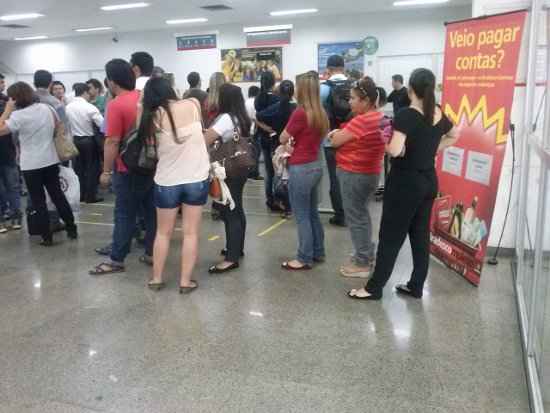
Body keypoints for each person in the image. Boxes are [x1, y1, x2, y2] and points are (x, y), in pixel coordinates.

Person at [348, 68, 459, 301]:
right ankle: (416, 286)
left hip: (405, 183)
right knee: (420, 235)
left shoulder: (408, 114)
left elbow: (396, 150)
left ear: (410, 89)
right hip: (428, 180)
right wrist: (429, 151)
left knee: (390, 237)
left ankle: (373, 288)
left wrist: (386, 142)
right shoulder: (437, 112)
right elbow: (454, 135)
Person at [140, 78, 209, 293]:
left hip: (166, 181)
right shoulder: (193, 104)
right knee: (190, 233)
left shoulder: (151, 117)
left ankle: (157, 279)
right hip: (196, 178)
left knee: (163, 233)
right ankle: (185, 282)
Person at [89, 59, 157, 275]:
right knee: (150, 212)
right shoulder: (144, 98)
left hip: (126, 168)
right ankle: (152, 252)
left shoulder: (116, 105)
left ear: (111, 80)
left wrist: (106, 171)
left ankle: (116, 259)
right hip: (150, 165)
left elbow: (112, 142)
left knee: (124, 213)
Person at [0, 82, 77, 245]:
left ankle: (46, 237)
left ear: (15, 99)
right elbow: (58, 128)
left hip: (30, 164)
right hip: (50, 159)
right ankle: (71, 228)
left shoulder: (17, 116)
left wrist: (7, 111)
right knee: (57, 196)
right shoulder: (47, 108)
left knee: (38, 201)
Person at [328, 77, 385, 278]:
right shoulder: (378, 117)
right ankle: (366, 253)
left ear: (365, 101)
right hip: (369, 173)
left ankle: (362, 263)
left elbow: (335, 141)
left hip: (355, 174)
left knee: (356, 218)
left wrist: (336, 134)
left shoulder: (362, 121)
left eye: (353, 98)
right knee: (362, 215)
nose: (349, 102)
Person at [280, 71, 329, 270]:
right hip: (316, 165)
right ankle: (318, 251)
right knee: (312, 213)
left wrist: (289, 145)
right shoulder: (321, 113)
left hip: (301, 168)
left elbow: (283, 138)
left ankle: (303, 257)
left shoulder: (300, 113)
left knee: (301, 215)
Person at [204, 83, 252, 273]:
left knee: (229, 210)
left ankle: (231, 258)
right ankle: (236, 248)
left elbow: (206, 139)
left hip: (228, 169)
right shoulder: (242, 117)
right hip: (241, 166)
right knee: (237, 207)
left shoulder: (225, 118)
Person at [256, 80, 297, 213]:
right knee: (291, 175)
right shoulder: (297, 108)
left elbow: (259, 115)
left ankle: (282, 203)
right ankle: (292, 204)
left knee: (278, 174)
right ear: (293, 92)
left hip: (279, 144)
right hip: (294, 144)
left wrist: (269, 128)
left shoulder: (277, 107)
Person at [320, 55, 351, 227]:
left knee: (335, 177)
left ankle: (340, 215)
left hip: (331, 140)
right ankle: (353, 211)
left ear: (328, 69)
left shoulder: (324, 88)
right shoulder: (355, 85)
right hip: (352, 137)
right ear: (344, 67)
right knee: (352, 176)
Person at [66, 83, 104, 204]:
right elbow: (103, 126)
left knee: (79, 169)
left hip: (75, 140)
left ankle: (81, 195)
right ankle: (90, 196)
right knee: (92, 168)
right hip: (89, 141)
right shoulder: (90, 107)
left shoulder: (68, 107)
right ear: (85, 93)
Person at [254, 71, 281, 211]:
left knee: (268, 171)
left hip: (263, 136)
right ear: (273, 82)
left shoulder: (258, 98)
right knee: (278, 170)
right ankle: (278, 198)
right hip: (275, 136)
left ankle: (269, 199)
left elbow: (257, 118)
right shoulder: (277, 99)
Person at [0, 74, 22, 233]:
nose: (2, 85)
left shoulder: (7, 100)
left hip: (8, 150)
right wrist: (7, 111)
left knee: (13, 185)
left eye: (3, 82)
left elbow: (16, 124)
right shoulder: (7, 105)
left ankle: (16, 215)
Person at [245, 85, 262, 180]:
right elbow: (256, 118)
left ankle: (249, 172)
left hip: (246, 131)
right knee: (256, 152)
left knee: (249, 152)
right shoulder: (256, 102)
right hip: (254, 130)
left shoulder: (245, 102)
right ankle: (254, 173)